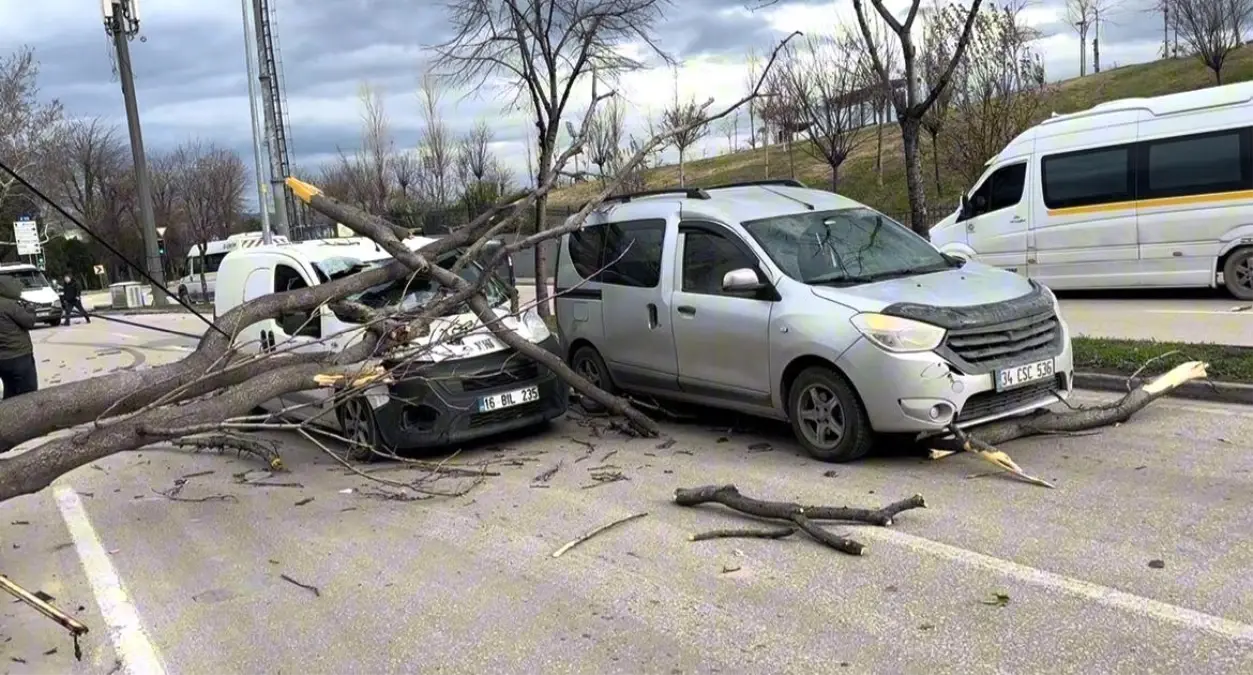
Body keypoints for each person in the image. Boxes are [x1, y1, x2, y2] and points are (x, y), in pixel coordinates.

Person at [0, 276, 38, 399]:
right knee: (28, 394)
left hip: (3, 360)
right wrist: (30, 309)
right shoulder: (9, 305)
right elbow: (29, 322)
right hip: (19, 356)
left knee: (10, 392)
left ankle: (8, 416)